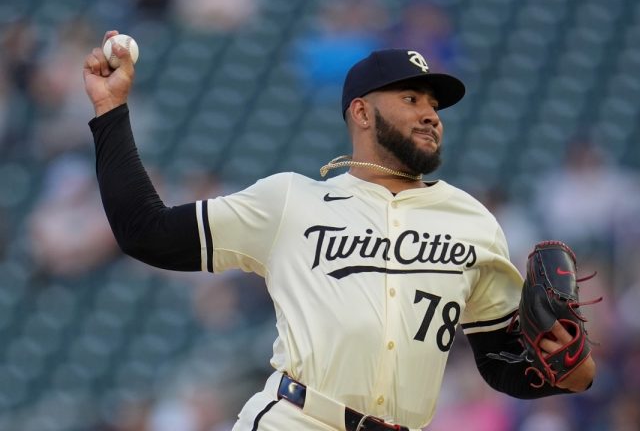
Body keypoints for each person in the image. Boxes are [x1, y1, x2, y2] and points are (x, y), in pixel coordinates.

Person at [83, 31, 596, 431]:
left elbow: (500, 362)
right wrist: (110, 110)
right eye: (412, 98)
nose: (431, 115)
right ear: (361, 112)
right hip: (297, 418)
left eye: (434, 106)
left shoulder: (473, 220)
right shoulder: (291, 200)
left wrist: (565, 371)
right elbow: (144, 231)